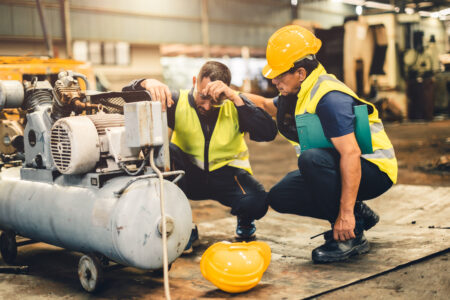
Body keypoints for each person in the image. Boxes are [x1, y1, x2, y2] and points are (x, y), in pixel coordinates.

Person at [245, 25, 398, 263]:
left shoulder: (329, 98)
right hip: (346, 164)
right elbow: (266, 105)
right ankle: (360, 214)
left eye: (279, 74)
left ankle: (351, 234)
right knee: (280, 196)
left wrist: (344, 213)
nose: (273, 80)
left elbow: (351, 154)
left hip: (374, 168)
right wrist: (230, 95)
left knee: (311, 159)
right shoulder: (299, 91)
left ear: (301, 73)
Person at [123, 61, 277, 250]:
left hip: (228, 176)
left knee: (258, 202)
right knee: (168, 150)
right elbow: (124, 97)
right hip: (188, 176)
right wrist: (146, 83)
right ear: (195, 81)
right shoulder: (176, 101)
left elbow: (268, 133)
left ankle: (245, 221)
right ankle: (183, 226)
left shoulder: (234, 104)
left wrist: (235, 99)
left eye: (214, 100)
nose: (207, 105)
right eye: (203, 96)